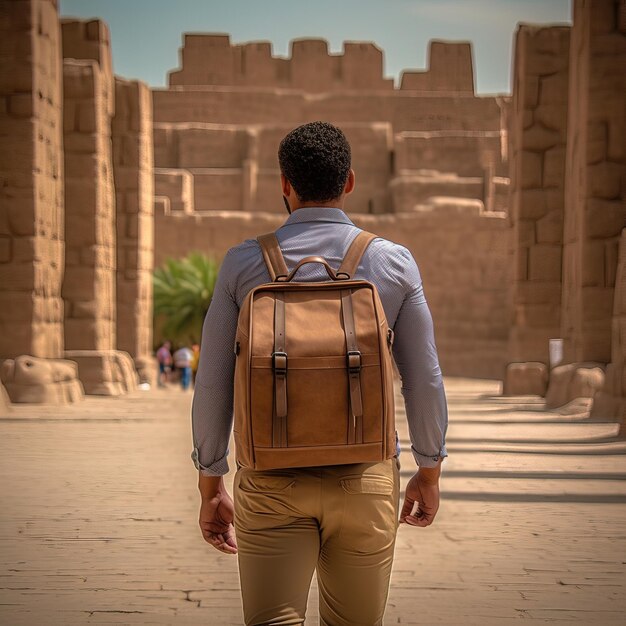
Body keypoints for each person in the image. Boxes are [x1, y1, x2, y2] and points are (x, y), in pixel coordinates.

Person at [191, 121, 448, 625]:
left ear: (284, 183)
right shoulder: (392, 262)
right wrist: (429, 470)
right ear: (349, 181)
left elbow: (214, 382)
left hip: (269, 479)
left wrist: (210, 483)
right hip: (367, 478)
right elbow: (424, 379)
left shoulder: (243, 264)